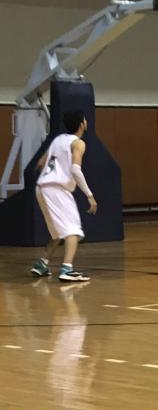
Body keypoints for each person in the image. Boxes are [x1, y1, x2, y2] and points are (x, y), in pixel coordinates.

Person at [30, 109, 98, 282]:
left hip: (41, 187)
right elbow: (75, 169)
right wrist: (89, 195)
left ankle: (42, 264)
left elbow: (41, 162)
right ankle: (67, 269)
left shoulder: (58, 139)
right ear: (82, 124)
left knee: (58, 232)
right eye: (85, 120)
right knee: (73, 230)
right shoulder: (78, 143)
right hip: (57, 189)